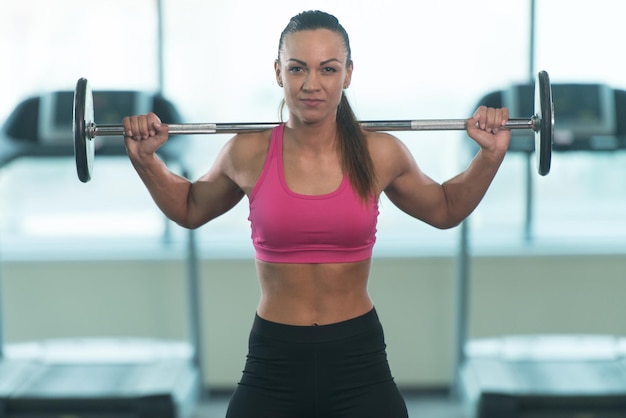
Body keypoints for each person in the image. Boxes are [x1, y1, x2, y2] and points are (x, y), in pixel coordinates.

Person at [122, 10, 510, 418]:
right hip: (274, 357)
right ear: (278, 72)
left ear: (347, 74)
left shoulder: (380, 152)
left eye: (328, 69)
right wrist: (147, 162)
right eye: (297, 69)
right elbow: (189, 208)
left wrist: (491, 155)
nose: (311, 84)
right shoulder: (248, 151)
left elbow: (446, 209)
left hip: (358, 357)